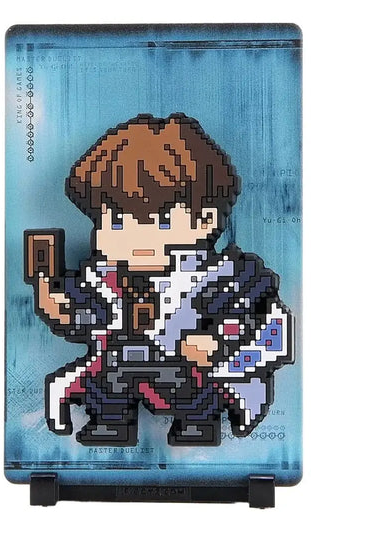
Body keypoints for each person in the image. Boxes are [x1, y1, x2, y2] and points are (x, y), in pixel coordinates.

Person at [24, 113, 294, 446]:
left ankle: (197, 426)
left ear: (205, 220)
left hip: (190, 376)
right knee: (109, 377)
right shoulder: (106, 281)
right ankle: (112, 423)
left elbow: (271, 330)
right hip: (122, 370)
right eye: (117, 222)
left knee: (197, 392)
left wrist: (218, 345)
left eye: (162, 221)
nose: (137, 238)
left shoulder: (225, 278)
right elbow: (81, 317)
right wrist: (50, 296)